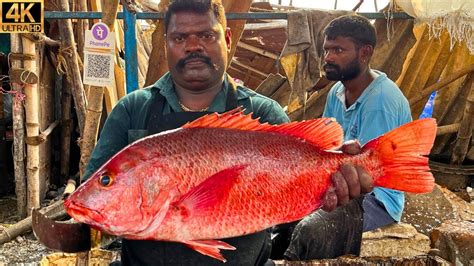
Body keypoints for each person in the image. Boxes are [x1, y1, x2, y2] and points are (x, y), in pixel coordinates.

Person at [83, 1, 372, 265]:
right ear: (165, 44)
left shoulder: (264, 114)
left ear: (228, 40)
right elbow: (93, 203)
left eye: (207, 36)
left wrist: (338, 188)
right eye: (180, 38)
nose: (193, 46)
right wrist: (74, 231)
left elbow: (294, 215)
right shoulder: (132, 110)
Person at [276, 15, 412, 261]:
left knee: (311, 230)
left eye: (338, 50)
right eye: (327, 49)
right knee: (280, 216)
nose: (328, 57)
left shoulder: (381, 100)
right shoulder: (337, 91)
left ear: (364, 53)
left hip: (375, 199)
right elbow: (326, 147)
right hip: (337, 181)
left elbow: (369, 178)